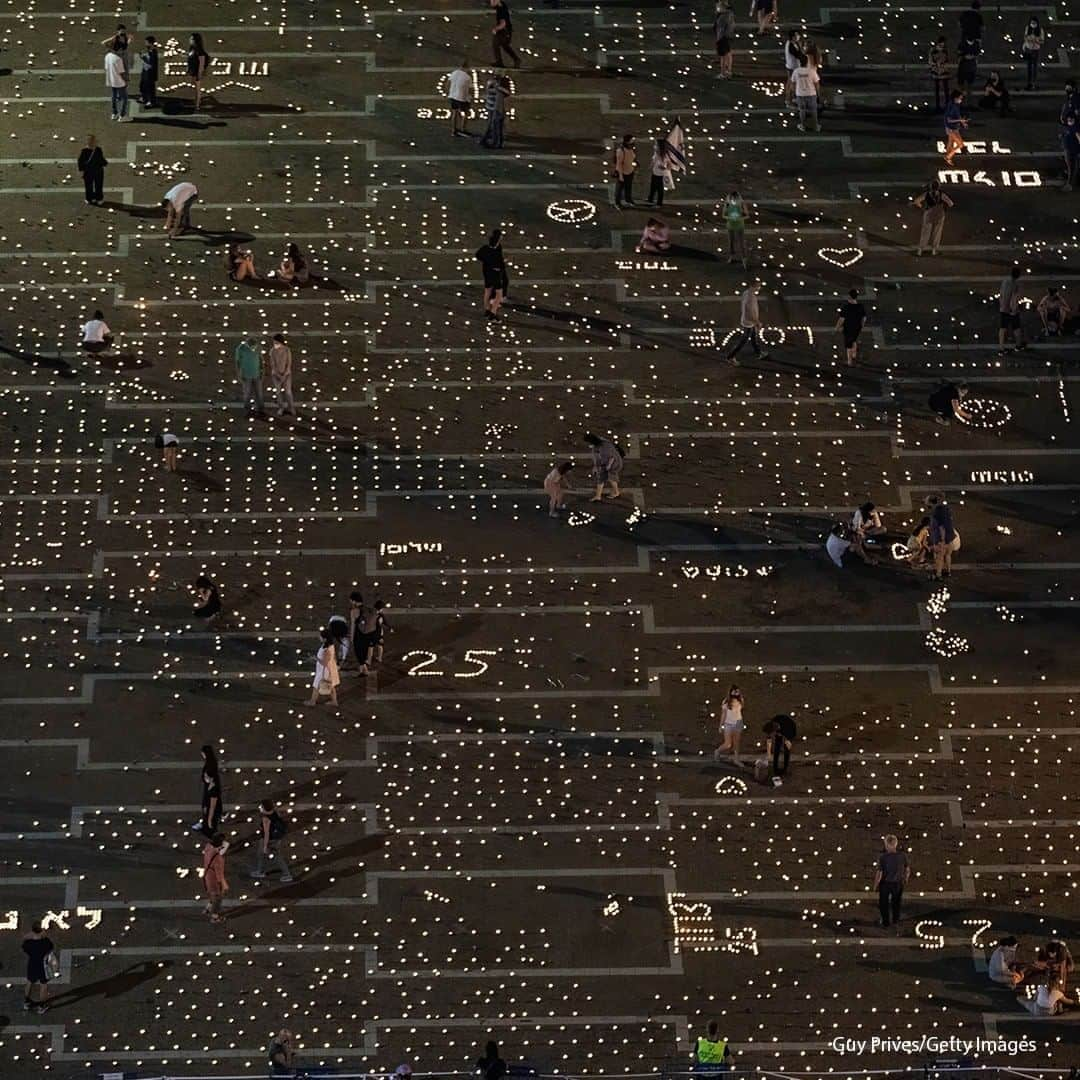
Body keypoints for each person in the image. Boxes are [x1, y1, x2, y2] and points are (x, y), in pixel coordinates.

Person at [725, 282, 769, 363]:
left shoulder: (746, 292)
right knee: (743, 341)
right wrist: (757, 322)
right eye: (758, 286)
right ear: (753, 286)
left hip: (747, 321)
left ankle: (759, 353)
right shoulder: (750, 298)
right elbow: (750, 313)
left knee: (753, 338)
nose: (759, 288)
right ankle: (730, 357)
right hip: (749, 322)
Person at [252, 798, 294, 882]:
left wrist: (265, 846)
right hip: (277, 838)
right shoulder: (275, 812)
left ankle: (287, 874)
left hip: (270, 840)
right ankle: (260, 871)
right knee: (264, 854)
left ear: (264, 808)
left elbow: (267, 833)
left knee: (274, 856)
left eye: (261, 806)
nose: (260, 808)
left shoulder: (266, 818)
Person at [873, 834, 910, 929]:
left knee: (883, 904)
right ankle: (895, 920)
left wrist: (875, 885)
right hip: (898, 884)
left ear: (887, 845)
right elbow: (907, 869)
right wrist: (906, 879)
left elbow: (879, 873)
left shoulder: (883, 857)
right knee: (896, 903)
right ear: (896, 844)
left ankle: (885, 922)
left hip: (885, 884)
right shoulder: (902, 856)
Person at [913, 179, 953, 256]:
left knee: (925, 232)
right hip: (939, 214)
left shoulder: (926, 194)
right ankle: (934, 250)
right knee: (937, 232)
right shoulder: (942, 194)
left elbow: (916, 201)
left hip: (928, 213)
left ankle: (920, 250)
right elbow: (950, 203)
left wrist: (922, 207)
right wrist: (944, 208)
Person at [22, 922, 55, 1013]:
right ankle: (41, 1006)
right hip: (42, 965)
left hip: (32, 964)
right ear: (42, 931)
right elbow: (51, 948)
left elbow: (24, 946)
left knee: (30, 982)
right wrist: (45, 936)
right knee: (43, 985)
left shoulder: (28, 943)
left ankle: (26, 1002)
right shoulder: (45, 942)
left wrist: (28, 936)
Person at [194, 743, 225, 835]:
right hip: (210, 799)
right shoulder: (211, 764)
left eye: (206, 776)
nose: (204, 777)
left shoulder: (213, 790)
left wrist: (209, 820)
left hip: (211, 810)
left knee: (209, 815)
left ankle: (209, 828)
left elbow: (212, 806)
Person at [476, 229, 507, 319]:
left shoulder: (486, 248)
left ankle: (487, 310)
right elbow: (499, 261)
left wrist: (487, 262)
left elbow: (478, 255)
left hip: (487, 272)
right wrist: (497, 265)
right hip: (494, 273)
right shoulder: (495, 250)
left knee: (488, 290)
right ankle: (493, 313)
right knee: (499, 294)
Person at [585, 432, 623, 502]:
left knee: (611, 477)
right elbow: (596, 457)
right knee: (601, 477)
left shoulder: (605, 445)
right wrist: (596, 466)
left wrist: (609, 465)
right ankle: (598, 496)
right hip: (605, 462)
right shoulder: (596, 446)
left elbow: (612, 457)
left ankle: (616, 492)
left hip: (614, 462)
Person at [308, 627, 341, 706]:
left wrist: (315, 658)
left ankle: (312, 701)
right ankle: (334, 701)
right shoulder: (330, 645)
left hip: (324, 671)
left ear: (325, 639)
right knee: (331, 686)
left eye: (321, 636)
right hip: (329, 669)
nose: (319, 637)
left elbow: (324, 663)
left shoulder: (326, 649)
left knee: (316, 685)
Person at [927, 494, 956, 580]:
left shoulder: (936, 513)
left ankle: (938, 575)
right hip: (950, 536)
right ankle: (948, 571)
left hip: (941, 539)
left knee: (939, 557)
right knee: (948, 554)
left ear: (930, 503)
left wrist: (942, 540)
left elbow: (941, 528)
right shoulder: (946, 509)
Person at [202, 832, 229, 924]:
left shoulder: (208, 846)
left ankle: (208, 908)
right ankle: (214, 916)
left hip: (207, 875)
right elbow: (219, 876)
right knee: (218, 898)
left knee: (211, 893)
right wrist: (223, 885)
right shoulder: (218, 859)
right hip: (213, 880)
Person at [998, 265, 1025, 354]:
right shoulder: (1015, 284)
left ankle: (1001, 348)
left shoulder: (1005, 281)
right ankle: (1018, 345)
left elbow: (1001, 294)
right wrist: (1014, 309)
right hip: (1011, 309)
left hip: (1003, 308)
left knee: (1003, 328)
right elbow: (1013, 298)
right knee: (1016, 327)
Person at [234, 336, 264, 416]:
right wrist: (239, 374)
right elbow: (237, 363)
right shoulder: (240, 349)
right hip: (246, 375)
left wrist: (262, 371)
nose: (254, 348)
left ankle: (260, 409)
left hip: (257, 375)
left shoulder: (258, 348)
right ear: (248, 345)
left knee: (259, 393)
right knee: (247, 393)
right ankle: (248, 410)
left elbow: (261, 359)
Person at [835, 288, 866, 364]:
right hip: (857, 327)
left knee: (848, 344)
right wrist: (861, 325)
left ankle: (849, 361)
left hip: (848, 328)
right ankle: (854, 355)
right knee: (854, 340)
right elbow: (864, 317)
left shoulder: (846, 307)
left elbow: (841, 319)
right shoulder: (860, 306)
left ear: (849, 296)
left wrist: (837, 327)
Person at [763, 714, 796, 783]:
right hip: (780, 729)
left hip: (790, 730)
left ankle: (785, 768)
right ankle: (775, 768)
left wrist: (787, 744)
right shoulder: (773, 722)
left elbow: (788, 744)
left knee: (786, 750)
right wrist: (768, 753)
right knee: (777, 747)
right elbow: (769, 739)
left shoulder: (787, 730)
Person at [269, 333, 296, 416]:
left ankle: (291, 407)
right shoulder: (272, 351)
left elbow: (289, 363)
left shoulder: (287, 350)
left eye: (276, 342)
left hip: (287, 375)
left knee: (288, 392)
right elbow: (272, 364)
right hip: (276, 375)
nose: (275, 344)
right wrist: (278, 375)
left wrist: (284, 375)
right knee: (278, 392)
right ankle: (281, 407)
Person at [716, 685, 744, 764]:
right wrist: (720, 726)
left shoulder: (740, 700)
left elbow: (739, 711)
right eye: (735, 691)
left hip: (738, 723)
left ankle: (736, 759)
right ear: (731, 692)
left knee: (736, 743)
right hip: (728, 724)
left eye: (737, 691)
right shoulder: (726, 702)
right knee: (728, 744)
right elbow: (723, 714)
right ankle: (717, 751)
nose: (736, 693)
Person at [791, 56, 820, 132]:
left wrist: (794, 93)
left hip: (800, 94)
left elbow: (793, 83)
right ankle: (815, 126)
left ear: (799, 62)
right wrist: (818, 94)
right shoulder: (812, 71)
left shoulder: (796, 71)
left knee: (802, 110)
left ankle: (803, 126)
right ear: (807, 62)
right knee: (813, 111)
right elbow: (817, 83)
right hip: (811, 93)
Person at [480, 73, 509, 149]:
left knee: (496, 126)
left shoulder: (499, 89)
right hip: (493, 108)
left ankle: (495, 142)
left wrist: (498, 87)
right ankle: (489, 140)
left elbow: (507, 93)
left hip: (497, 109)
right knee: (493, 125)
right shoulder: (493, 86)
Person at [77, 134, 107, 205]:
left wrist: (82, 170)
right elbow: (101, 160)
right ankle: (98, 198)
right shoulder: (97, 150)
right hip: (97, 171)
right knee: (97, 185)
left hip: (90, 171)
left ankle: (90, 198)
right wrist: (104, 163)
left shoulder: (85, 151)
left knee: (91, 186)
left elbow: (80, 162)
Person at [491, 0, 520, 68]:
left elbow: (503, 24)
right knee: (505, 46)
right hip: (506, 31)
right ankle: (516, 59)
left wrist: (495, 29)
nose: (491, 2)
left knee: (496, 44)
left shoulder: (501, 9)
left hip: (504, 31)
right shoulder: (501, 6)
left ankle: (499, 62)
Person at [722, 191, 748, 268]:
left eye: (735, 198)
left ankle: (744, 260)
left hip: (740, 226)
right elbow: (723, 215)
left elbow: (747, 215)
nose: (733, 200)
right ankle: (731, 257)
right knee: (731, 242)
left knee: (741, 243)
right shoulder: (727, 204)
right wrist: (730, 218)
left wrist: (740, 218)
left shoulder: (742, 204)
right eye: (732, 198)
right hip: (730, 226)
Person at [447, 59, 473, 136]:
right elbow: (470, 89)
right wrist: (471, 98)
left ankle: (453, 130)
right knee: (466, 113)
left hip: (453, 96)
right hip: (462, 98)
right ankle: (463, 129)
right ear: (466, 67)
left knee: (454, 113)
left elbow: (448, 83)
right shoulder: (468, 77)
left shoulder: (454, 73)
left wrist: (449, 92)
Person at [104, 41, 128, 121]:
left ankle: (114, 113)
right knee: (124, 98)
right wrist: (126, 80)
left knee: (114, 96)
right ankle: (122, 116)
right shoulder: (118, 59)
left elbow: (106, 68)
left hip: (111, 80)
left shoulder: (107, 56)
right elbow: (121, 72)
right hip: (119, 82)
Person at [646, 137, 672, 207]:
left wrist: (665, 168)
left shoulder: (665, 155)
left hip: (661, 175)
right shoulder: (656, 153)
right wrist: (650, 167)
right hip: (655, 173)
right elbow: (653, 161)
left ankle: (659, 203)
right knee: (653, 187)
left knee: (660, 189)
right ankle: (650, 199)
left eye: (656, 145)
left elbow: (670, 165)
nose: (654, 146)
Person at [943, 91, 967, 165]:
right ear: (956, 98)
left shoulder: (955, 105)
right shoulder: (953, 106)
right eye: (960, 98)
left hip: (954, 128)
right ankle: (948, 157)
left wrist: (963, 123)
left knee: (950, 143)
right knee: (960, 144)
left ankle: (948, 158)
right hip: (950, 128)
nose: (961, 100)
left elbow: (958, 115)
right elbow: (949, 120)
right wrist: (960, 120)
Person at [613, 134, 637, 208]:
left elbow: (632, 158)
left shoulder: (631, 149)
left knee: (628, 187)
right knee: (619, 189)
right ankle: (617, 203)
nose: (633, 142)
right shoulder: (621, 151)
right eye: (631, 140)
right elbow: (619, 164)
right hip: (622, 173)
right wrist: (620, 176)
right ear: (627, 142)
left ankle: (628, 199)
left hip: (630, 171)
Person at [188, 32, 210, 111]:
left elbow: (201, 64)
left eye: (191, 39)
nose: (189, 40)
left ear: (195, 40)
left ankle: (197, 105)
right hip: (192, 72)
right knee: (195, 88)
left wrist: (199, 75)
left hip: (197, 73)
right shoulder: (192, 49)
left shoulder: (200, 52)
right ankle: (196, 102)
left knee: (197, 89)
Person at [1022, 16, 1045, 91]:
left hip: (1035, 50)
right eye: (1032, 23)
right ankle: (1029, 83)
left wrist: (1035, 40)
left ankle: (1034, 83)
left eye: (1034, 23)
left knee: (1034, 67)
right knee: (1029, 67)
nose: (1033, 24)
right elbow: (1025, 37)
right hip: (1028, 49)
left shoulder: (1040, 30)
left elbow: (1042, 41)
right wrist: (1026, 42)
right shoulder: (1027, 28)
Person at [929, 36, 950, 113]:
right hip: (936, 71)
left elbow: (947, 60)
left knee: (946, 89)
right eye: (941, 42)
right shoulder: (933, 50)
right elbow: (930, 61)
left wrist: (943, 64)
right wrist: (935, 64)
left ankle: (947, 105)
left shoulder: (945, 50)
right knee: (937, 90)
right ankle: (937, 106)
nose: (943, 44)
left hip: (944, 71)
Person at [713, 1, 735, 78]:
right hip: (727, 36)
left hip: (722, 37)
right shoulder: (729, 14)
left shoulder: (723, 17)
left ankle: (723, 73)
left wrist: (718, 39)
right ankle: (728, 71)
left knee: (723, 56)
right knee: (728, 53)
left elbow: (720, 29)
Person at [783, 30, 804, 107]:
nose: (798, 36)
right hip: (792, 67)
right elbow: (799, 55)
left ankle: (791, 99)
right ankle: (789, 100)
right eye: (797, 35)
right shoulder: (790, 46)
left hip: (794, 67)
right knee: (792, 84)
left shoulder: (794, 43)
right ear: (793, 37)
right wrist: (802, 49)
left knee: (791, 83)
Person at [1062, 110, 1080, 192]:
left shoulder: (1074, 127)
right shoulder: (1069, 126)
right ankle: (1070, 184)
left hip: (1072, 150)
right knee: (1072, 168)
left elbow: (1079, 137)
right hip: (1069, 149)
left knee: (1071, 168)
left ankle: (1069, 185)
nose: (1069, 120)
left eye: (1070, 119)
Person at [139, 35, 159, 108]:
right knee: (143, 85)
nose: (145, 44)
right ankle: (144, 98)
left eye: (146, 42)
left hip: (150, 73)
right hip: (145, 71)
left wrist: (143, 57)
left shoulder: (153, 52)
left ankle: (151, 102)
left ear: (150, 43)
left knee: (150, 88)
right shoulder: (148, 50)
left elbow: (151, 64)